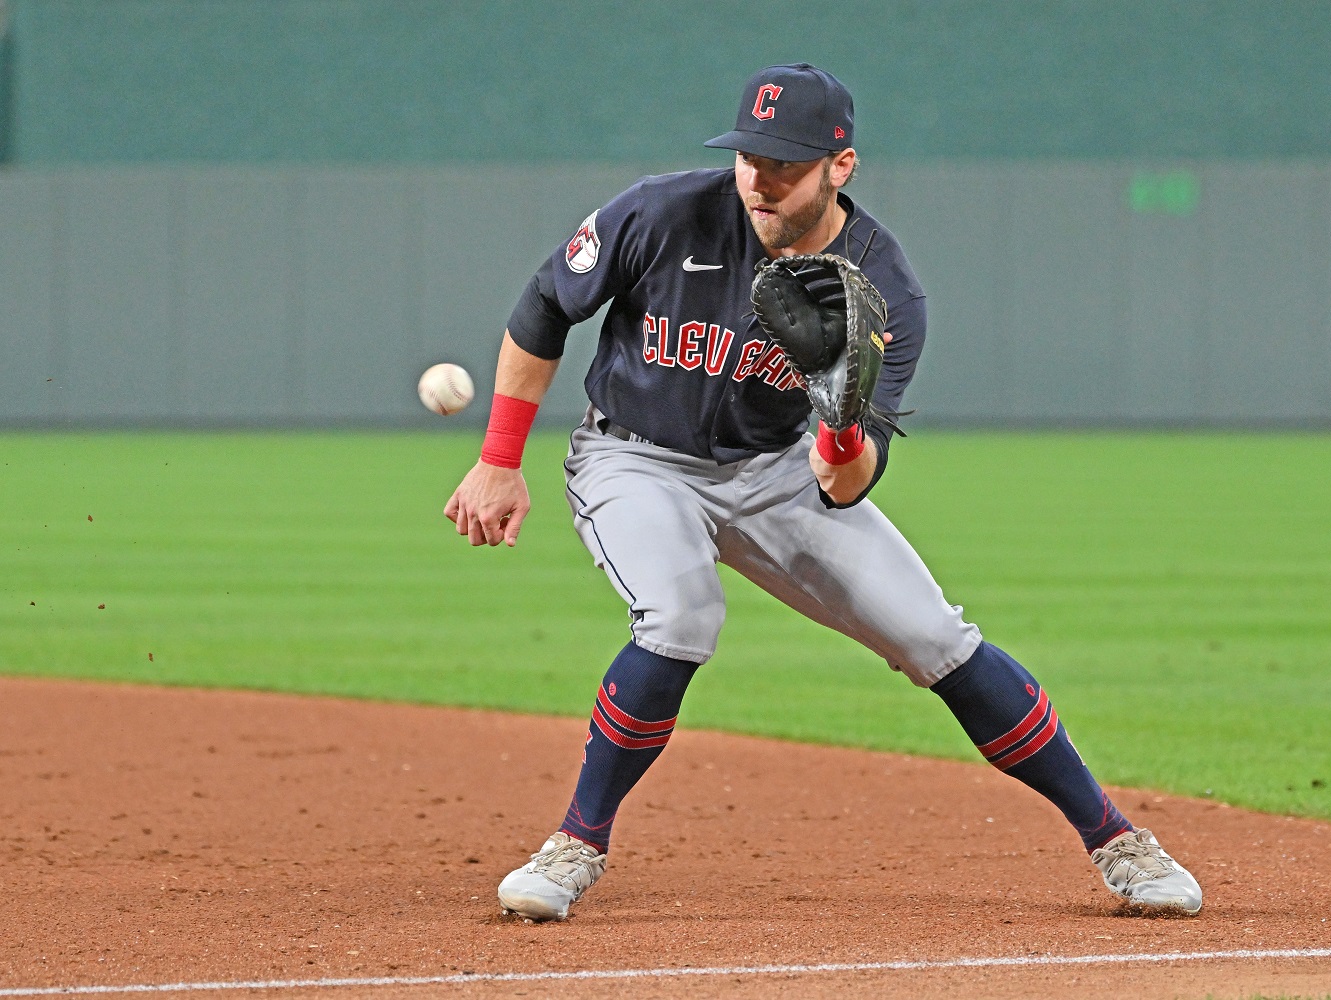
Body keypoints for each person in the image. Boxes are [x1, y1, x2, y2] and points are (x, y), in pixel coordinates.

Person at [444, 64, 1202, 922]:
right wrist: (499, 459)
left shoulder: (884, 287)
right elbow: (548, 301)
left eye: (786, 163)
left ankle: (1117, 842)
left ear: (841, 166)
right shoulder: (663, 213)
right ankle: (575, 845)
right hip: (637, 458)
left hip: (779, 471)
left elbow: (844, 485)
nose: (760, 179)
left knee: (935, 637)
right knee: (682, 617)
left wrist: (840, 416)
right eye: (749, 156)